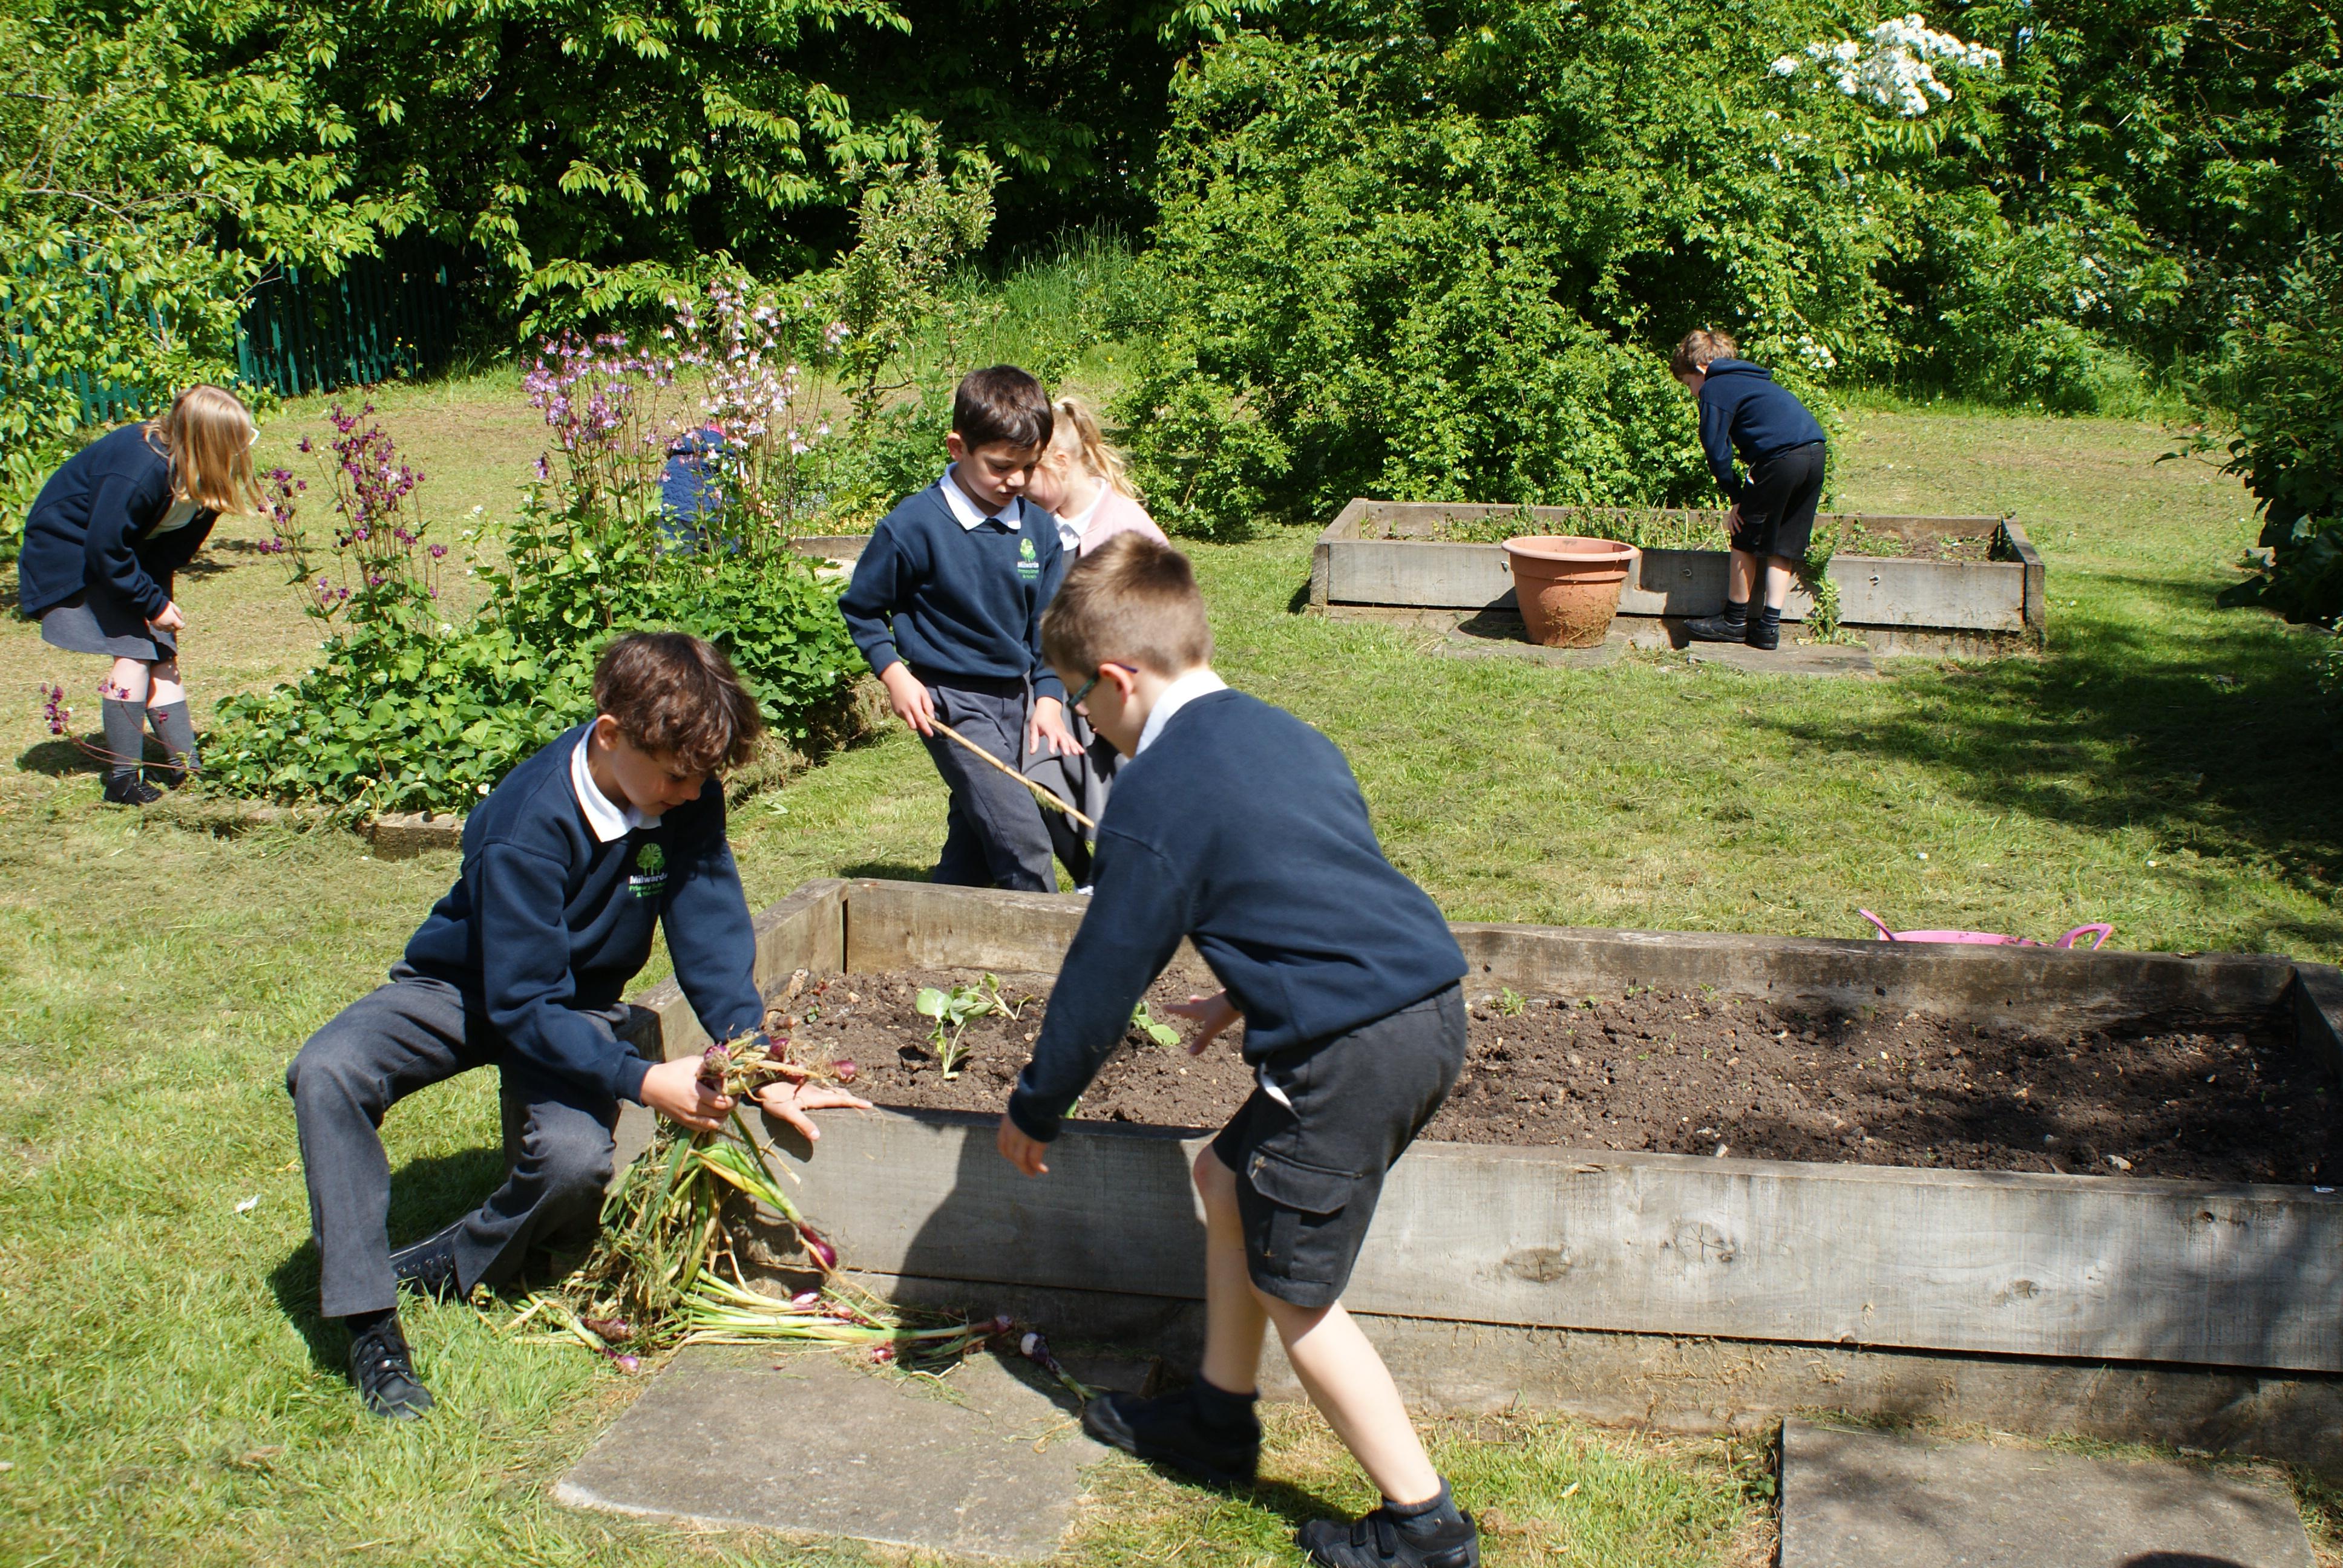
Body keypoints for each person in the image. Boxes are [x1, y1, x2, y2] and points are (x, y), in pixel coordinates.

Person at [996, 535, 1481, 1568]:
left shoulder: (1157, 790)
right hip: (1419, 1008)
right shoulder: (1280, 732)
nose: (1083, 721)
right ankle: (1217, 1419)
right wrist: (1240, 989)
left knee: (1294, 1290)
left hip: (1351, 1051)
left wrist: (1037, 1102)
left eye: (1080, 699)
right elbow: (1308, 881)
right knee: (1224, 1179)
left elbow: (1103, 976)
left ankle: (1424, 1526)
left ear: (1119, 679)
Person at [284, 632, 869, 1420]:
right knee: (329, 1069)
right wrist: (641, 1078)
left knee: (572, 1165)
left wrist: (757, 1061)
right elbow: (520, 1002)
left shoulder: (683, 791)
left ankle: (450, 1261)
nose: (692, 793)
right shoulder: (526, 823)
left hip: (574, 1002)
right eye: (676, 777)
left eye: (703, 779)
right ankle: (368, 1321)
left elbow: (708, 934)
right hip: (464, 988)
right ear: (610, 734)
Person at [839, 366, 1079, 891]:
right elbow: (862, 608)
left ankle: (944, 916)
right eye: (1001, 466)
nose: (1016, 481)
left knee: (978, 834)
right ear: (958, 448)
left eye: (1029, 467)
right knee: (1023, 839)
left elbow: (1049, 625)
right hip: (951, 702)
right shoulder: (913, 526)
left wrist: (1047, 697)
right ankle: (1047, 938)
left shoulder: (1039, 530)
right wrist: (895, 675)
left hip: (1016, 698)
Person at [15, 386, 260, 804]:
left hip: (126, 557)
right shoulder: (138, 468)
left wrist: (154, 598)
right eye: (237, 440)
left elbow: (175, 549)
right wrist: (151, 603)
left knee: (161, 653)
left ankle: (186, 771)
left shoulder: (206, 476)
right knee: (134, 653)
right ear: (210, 440)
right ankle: (122, 780)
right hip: (73, 552)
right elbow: (104, 548)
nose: (243, 449)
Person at [1018, 396, 1169, 885]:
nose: (1019, 483)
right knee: (1034, 778)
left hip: (1119, 694)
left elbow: (1160, 623)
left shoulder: (1125, 526)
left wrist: (1117, 696)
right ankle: (1087, 880)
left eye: (1029, 472)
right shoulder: (1039, 524)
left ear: (1060, 462)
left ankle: (1133, 883)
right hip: (1055, 687)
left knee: (1128, 800)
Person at [1670, 329, 1829, 652]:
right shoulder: (1755, 380)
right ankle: (1769, 628)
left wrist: (1736, 497)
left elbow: (1716, 449)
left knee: (1743, 533)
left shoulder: (1715, 386)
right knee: (1784, 542)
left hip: (1780, 458)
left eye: (1688, 384)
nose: (1693, 392)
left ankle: (1734, 620)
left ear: (1701, 369)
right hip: (1815, 452)